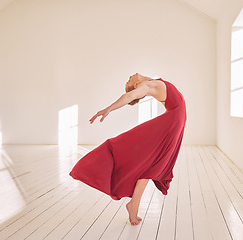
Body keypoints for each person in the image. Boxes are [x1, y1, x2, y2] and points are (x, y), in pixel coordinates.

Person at [70, 73, 186, 225]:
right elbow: (129, 96)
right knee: (152, 164)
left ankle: (133, 205)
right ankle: (133, 205)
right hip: (171, 123)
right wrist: (108, 109)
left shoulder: (150, 82)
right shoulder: (146, 86)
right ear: (137, 85)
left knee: (152, 165)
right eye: (129, 80)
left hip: (174, 121)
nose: (130, 76)